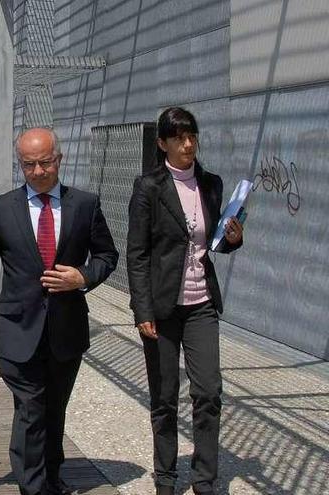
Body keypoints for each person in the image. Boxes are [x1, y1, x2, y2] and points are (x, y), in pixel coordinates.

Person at [0, 128, 118, 495]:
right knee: (31, 409)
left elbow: (107, 256)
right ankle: (33, 487)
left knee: (54, 410)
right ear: (20, 164)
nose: (38, 171)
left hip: (66, 329)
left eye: (45, 162)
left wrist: (82, 276)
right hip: (19, 327)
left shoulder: (85, 204)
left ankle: (52, 476)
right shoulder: (1, 208)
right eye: (29, 164)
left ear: (59, 159)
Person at [127, 107, 243, 495]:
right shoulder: (148, 188)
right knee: (164, 396)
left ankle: (204, 479)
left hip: (201, 304)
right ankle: (165, 477)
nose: (188, 144)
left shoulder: (211, 184)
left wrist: (232, 237)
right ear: (162, 143)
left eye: (192, 136)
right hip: (161, 308)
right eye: (178, 138)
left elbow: (215, 245)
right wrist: (142, 310)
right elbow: (137, 253)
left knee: (208, 391)